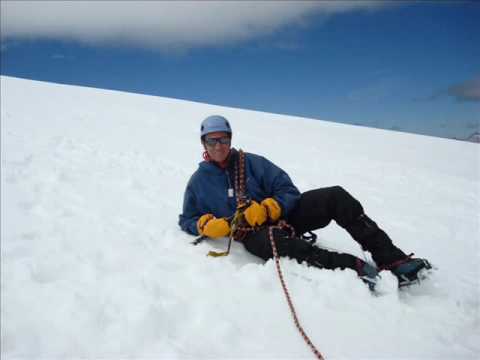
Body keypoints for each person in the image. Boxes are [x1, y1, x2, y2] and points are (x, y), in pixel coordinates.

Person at [179, 115, 431, 289]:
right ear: (204, 143)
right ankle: (352, 268)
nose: (219, 145)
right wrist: (204, 225)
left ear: (230, 140)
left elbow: (287, 190)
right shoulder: (198, 182)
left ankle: (392, 259)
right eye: (212, 140)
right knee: (271, 242)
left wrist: (270, 207)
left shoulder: (253, 163)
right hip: (251, 234)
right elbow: (187, 218)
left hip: (283, 218)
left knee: (335, 196)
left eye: (223, 139)